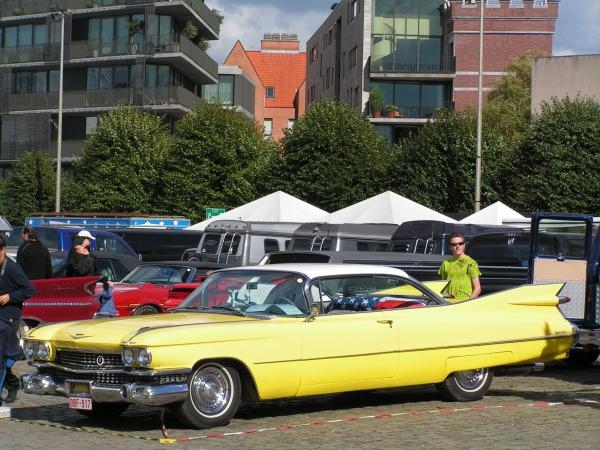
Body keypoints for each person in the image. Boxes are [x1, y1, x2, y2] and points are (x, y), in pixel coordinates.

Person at [0, 234, 36, 405]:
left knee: (2, 358)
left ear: (3, 250)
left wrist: (10, 297)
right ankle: (12, 383)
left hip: (9, 318)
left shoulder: (13, 269)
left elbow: (30, 290)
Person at [438, 232, 481, 300]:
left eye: (460, 243)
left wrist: (468, 302)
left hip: (464, 301)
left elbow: (477, 288)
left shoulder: (471, 263)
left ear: (464, 245)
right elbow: (442, 286)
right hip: (448, 301)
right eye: (454, 244)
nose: (457, 246)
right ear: (450, 247)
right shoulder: (445, 263)